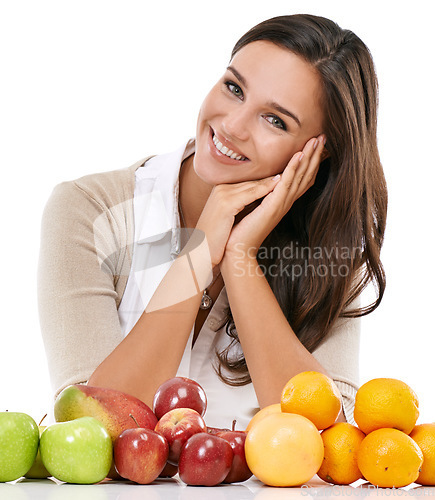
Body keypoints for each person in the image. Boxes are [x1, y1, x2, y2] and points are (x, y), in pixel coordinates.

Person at [38, 14, 387, 429]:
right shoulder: (89, 210)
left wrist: (240, 258)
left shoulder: (334, 252)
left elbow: (328, 443)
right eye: (234, 88)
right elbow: (91, 425)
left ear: (318, 153)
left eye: (275, 120)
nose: (232, 126)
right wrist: (199, 253)